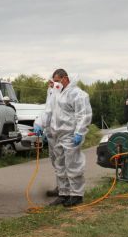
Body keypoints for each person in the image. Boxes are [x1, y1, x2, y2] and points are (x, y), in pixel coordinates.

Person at [33, 69, 92, 207]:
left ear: (65, 78)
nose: (54, 84)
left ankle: (77, 195)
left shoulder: (77, 94)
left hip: (70, 135)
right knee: (59, 165)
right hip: (56, 135)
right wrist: (40, 124)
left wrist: (79, 132)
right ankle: (64, 193)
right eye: (53, 82)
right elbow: (48, 111)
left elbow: (83, 115)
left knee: (73, 164)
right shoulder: (55, 93)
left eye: (57, 81)